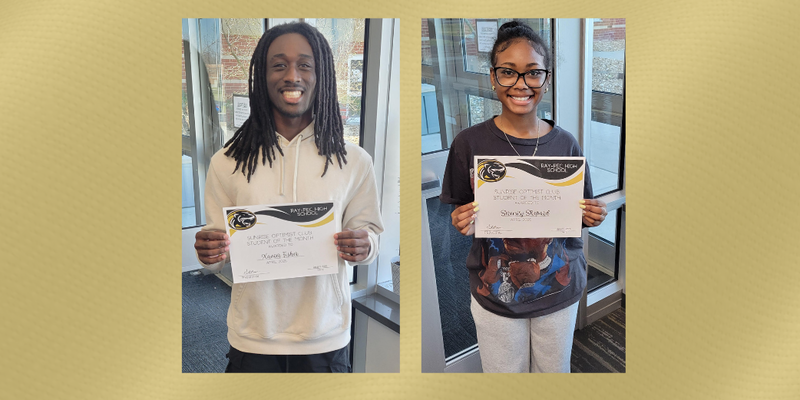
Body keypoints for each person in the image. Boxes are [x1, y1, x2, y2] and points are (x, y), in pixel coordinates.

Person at [193, 22, 383, 373]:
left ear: (321, 74)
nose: (292, 75)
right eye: (279, 65)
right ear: (261, 78)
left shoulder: (354, 161)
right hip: (252, 335)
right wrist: (209, 251)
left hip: (325, 336)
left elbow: (370, 236)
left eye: (305, 65)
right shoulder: (227, 162)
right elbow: (217, 254)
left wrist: (365, 245)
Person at [440, 21, 607, 373]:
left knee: (552, 375)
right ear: (492, 77)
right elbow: (459, 208)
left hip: (558, 291)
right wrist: (461, 219)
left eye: (533, 73)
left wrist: (593, 215)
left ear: (546, 79)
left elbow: (579, 212)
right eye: (508, 73)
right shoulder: (468, 144)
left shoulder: (565, 144)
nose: (520, 84)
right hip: (495, 296)